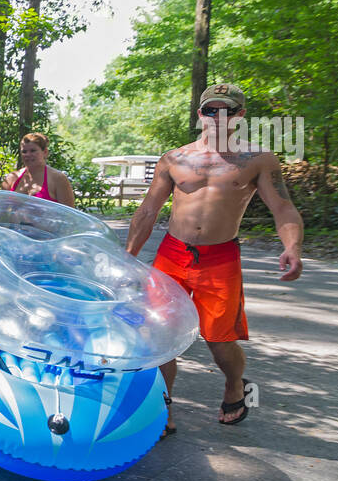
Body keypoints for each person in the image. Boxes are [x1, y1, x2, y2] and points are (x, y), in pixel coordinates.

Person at [126, 83, 304, 433]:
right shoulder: (174, 159)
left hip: (220, 258)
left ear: (240, 115)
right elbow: (148, 209)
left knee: (220, 341)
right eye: (211, 110)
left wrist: (293, 247)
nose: (217, 117)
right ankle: (162, 412)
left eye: (227, 110)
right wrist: (129, 256)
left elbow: (282, 207)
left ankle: (234, 384)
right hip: (173, 254)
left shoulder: (258, 160)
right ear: (200, 115)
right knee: (160, 336)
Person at [2, 132, 76, 207]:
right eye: (24, 151)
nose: (28, 154)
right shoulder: (11, 178)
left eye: (33, 150)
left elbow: (69, 215)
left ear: (45, 152)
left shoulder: (58, 179)